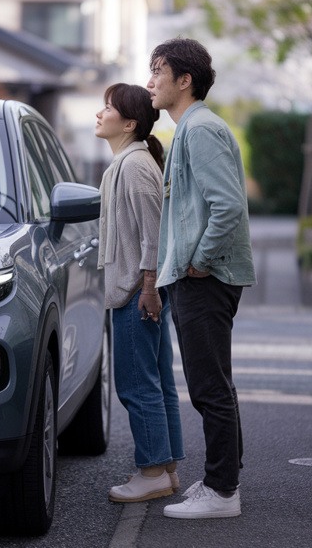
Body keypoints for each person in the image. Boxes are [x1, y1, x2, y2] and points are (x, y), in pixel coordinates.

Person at [146, 38, 255, 519]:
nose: (150, 82)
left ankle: (222, 491)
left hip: (205, 278)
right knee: (216, 384)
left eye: (158, 71)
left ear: (184, 80)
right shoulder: (191, 128)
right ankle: (223, 479)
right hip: (198, 275)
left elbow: (227, 205)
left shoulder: (200, 129)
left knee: (209, 386)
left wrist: (201, 261)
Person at [94, 83, 185, 503]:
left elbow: (155, 233)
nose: (99, 113)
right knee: (157, 381)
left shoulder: (133, 165)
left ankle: (151, 471)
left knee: (136, 386)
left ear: (129, 123)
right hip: (138, 289)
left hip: (136, 292)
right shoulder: (130, 161)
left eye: (108, 108)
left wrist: (148, 287)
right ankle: (165, 468)